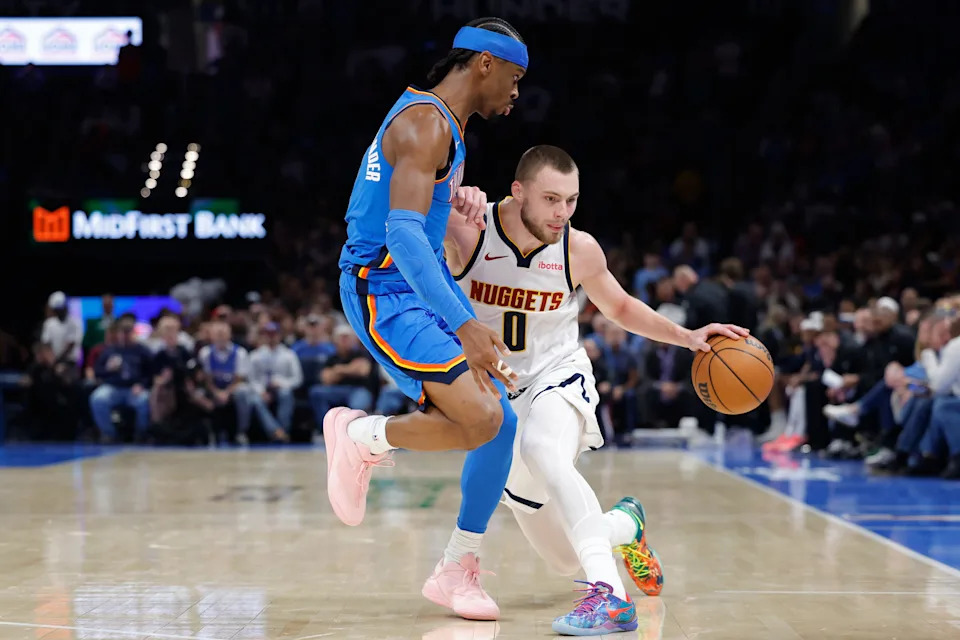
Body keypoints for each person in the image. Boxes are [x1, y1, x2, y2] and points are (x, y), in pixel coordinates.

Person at [445, 145, 748, 635]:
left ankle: (610, 597)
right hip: (498, 398)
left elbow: (621, 307)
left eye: (571, 200)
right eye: (551, 199)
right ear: (517, 192)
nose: (562, 212)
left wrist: (687, 337)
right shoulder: (468, 228)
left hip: (557, 375)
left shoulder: (578, 248)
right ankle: (626, 523)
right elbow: (404, 214)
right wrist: (450, 195)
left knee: (545, 450)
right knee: (565, 559)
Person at [324, 17, 528, 620]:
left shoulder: (445, 125)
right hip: (382, 289)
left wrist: (458, 200)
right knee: (484, 416)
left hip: (415, 284)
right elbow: (403, 235)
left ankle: (456, 570)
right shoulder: (425, 124)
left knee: (500, 423)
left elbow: (420, 213)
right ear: (485, 63)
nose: (517, 92)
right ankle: (361, 437)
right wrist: (465, 323)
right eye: (515, 76)